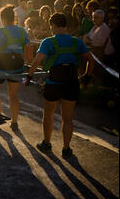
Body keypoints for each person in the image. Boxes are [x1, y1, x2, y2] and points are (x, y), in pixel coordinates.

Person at [25, 13, 94, 158]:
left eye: (51, 27)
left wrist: (29, 76)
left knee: (48, 115)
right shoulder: (77, 42)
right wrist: (87, 76)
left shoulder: (48, 42)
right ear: (66, 26)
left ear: (54, 26)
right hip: (71, 83)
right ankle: (66, 148)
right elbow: (90, 60)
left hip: (53, 84)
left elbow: (37, 61)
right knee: (67, 118)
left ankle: (46, 143)